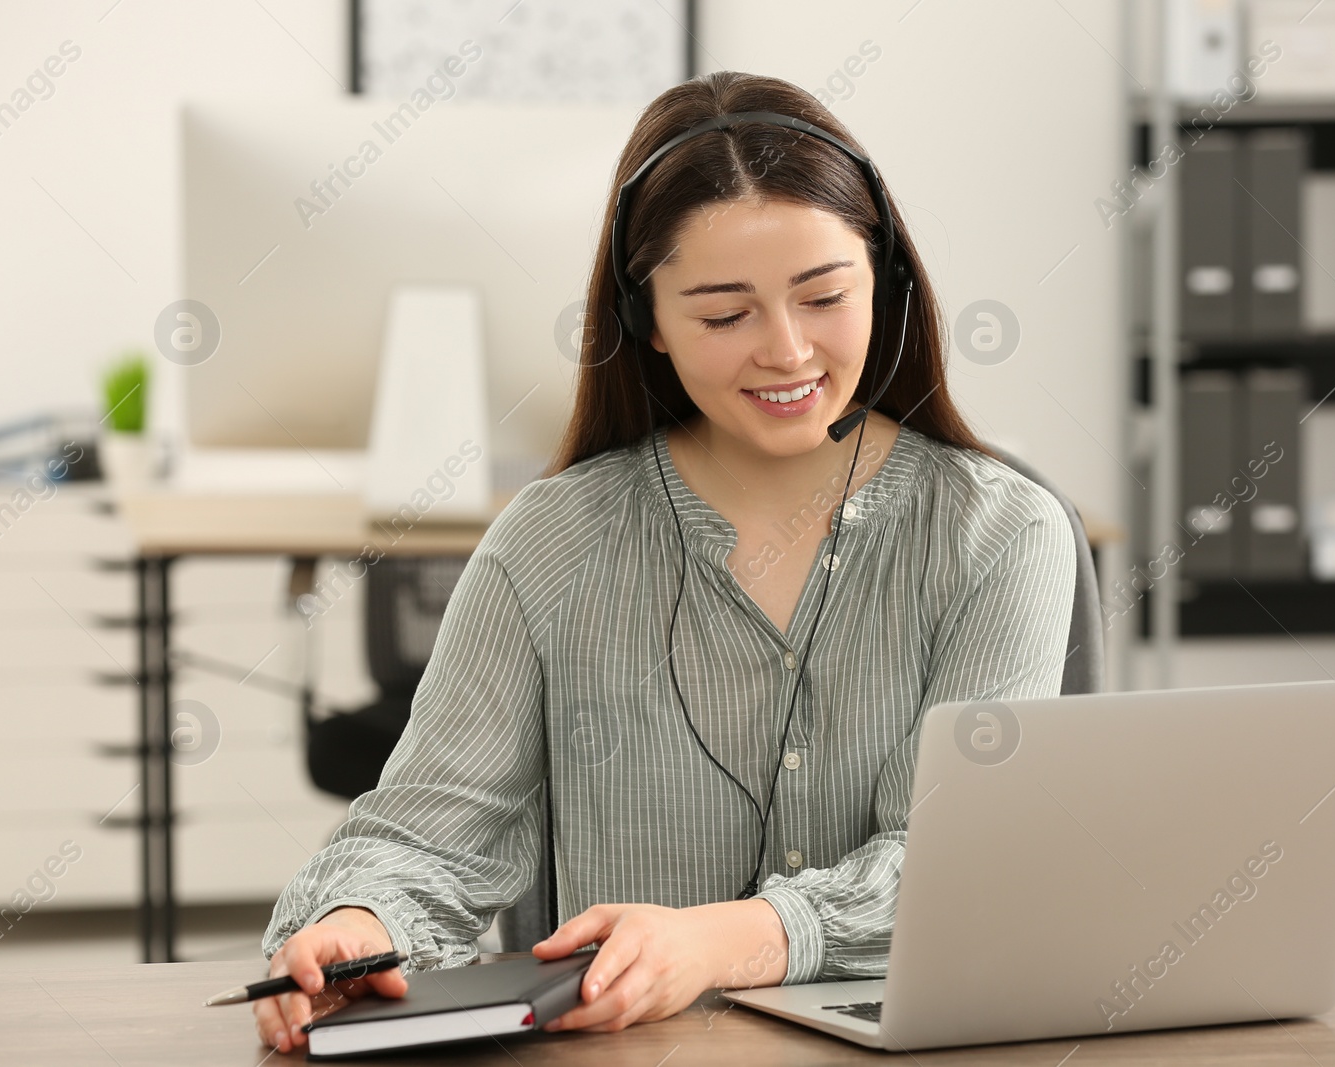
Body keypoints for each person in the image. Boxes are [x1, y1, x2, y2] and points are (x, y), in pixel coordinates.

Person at [255, 69, 1076, 1053]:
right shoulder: (550, 543)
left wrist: (728, 938)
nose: (787, 351)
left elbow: (962, 859)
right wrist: (354, 925)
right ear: (645, 319)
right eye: (724, 315)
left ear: (885, 278)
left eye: (823, 296)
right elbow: (426, 835)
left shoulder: (1003, 532)